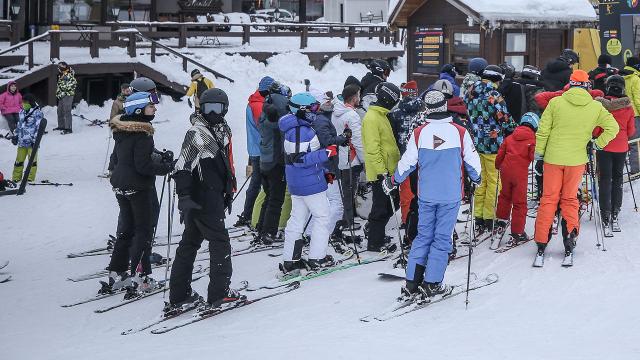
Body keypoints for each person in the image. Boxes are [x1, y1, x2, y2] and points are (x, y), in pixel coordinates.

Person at [383, 90, 481, 300]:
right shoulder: (460, 131)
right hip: (450, 195)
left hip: (426, 195)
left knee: (423, 236)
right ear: (444, 106)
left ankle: (412, 283)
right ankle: (432, 283)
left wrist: (393, 181)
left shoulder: (419, 132)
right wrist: (477, 179)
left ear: (427, 108)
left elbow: (407, 163)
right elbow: (473, 162)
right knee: (442, 239)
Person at [165, 88, 242, 313]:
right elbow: (182, 167)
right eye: (208, 108)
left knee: (189, 244)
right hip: (202, 199)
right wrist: (185, 196)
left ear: (225, 109)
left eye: (217, 108)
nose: (213, 113)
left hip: (211, 195)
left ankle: (180, 295)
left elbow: (224, 165)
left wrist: (227, 191)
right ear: (202, 109)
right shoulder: (197, 132)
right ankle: (219, 293)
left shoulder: (219, 130)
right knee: (220, 243)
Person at [533, 70, 619, 267]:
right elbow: (613, 128)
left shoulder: (556, 103)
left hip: (553, 158)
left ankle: (541, 242)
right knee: (570, 199)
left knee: (548, 199)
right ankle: (569, 240)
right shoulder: (594, 107)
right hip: (576, 160)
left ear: (570, 84)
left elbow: (543, 130)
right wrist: (597, 144)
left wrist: (539, 154)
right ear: (587, 86)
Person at [99, 92, 174, 298]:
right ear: (139, 110)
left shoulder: (123, 130)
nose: (155, 109)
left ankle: (117, 273)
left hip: (121, 186)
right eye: (151, 106)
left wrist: (158, 157)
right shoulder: (143, 134)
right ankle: (141, 276)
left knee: (127, 231)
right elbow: (143, 165)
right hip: (138, 188)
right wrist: (166, 167)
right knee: (143, 231)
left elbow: (118, 159)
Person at [279, 92, 338, 273]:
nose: (316, 111)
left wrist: (324, 171)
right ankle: (317, 258)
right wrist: (326, 153)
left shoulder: (299, 127)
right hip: (308, 184)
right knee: (322, 217)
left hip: (303, 181)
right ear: (301, 110)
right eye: (312, 108)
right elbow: (299, 159)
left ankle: (291, 259)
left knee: (298, 219)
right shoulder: (299, 131)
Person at [464, 65, 515, 236]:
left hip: (476, 142)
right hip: (493, 144)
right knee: (494, 181)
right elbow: (505, 119)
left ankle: (478, 216)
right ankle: (489, 217)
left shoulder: (470, 91)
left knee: (480, 179)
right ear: (497, 79)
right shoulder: (494, 94)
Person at [362, 82, 401, 252]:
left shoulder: (382, 115)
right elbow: (372, 148)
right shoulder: (371, 118)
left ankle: (374, 231)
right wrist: (382, 172)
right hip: (381, 172)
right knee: (381, 207)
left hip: (390, 169)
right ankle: (375, 242)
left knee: (393, 203)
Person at [594, 75, 636, 235]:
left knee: (604, 179)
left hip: (604, 147)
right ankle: (615, 213)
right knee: (618, 179)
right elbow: (631, 131)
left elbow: (596, 130)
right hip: (621, 147)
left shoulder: (600, 105)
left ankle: (605, 213)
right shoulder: (628, 107)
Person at [309, 88, 349, 242]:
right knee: (335, 201)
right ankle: (324, 232)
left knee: (324, 201)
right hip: (327, 166)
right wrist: (342, 137)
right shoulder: (320, 120)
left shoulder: (320, 117)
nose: (330, 104)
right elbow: (327, 142)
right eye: (327, 101)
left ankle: (314, 231)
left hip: (324, 165)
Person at [494, 112, 539, 246]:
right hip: (520, 175)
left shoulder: (510, 137)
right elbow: (533, 157)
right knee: (519, 203)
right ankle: (517, 233)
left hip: (506, 172)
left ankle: (501, 223)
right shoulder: (532, 140)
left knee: (505, 197)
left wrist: (498, 166)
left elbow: (500, 155)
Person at [235, 76, 274, 228]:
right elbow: (264, 127)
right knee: (258, 183)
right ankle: (248, 214)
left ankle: (248, 214)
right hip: (260, 149)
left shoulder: (256, 101)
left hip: (256, 148)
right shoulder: (258, 105)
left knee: (257, 182)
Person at [255, 81, 290, 244]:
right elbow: (283, 130)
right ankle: (269, 232)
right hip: (276, 162)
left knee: (269, 196)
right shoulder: (279, 107)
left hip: (265, 160)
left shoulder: (266, 109)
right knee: (276, 199)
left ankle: (262, 228)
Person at [387, 83, 423, 225]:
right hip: (424, 158)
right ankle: (423, 220)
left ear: (404, 94)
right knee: (423, 191)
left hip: (404, 158)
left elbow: (392, 138)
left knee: (406, 192)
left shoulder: (394, 114)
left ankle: (406, 221)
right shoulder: (424, 111)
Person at [332, 84, 365, 233]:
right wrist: (364, 159)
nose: (360, 98)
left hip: (341, 155)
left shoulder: (337, 112)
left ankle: (347, 219)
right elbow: (357, 140)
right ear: (353, 98)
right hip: (351, 158)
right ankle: (347, 221)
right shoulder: (352, 115)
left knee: (346, 189)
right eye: (358, 95)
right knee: (350, 190)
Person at [11, 94, 43, 182]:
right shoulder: (22, 111)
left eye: (25, 102)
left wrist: (35, 140)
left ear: (31, 102)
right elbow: (19, 125)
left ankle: (29, 178)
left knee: (32, 161)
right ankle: (16, 177)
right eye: (23, 101)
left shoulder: (37, 113)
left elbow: (39, 128)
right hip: (22, 141)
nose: (23, 103)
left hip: (32, 141)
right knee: (19, 161)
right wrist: (15, 135)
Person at [620, 57, 640, 175]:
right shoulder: (635, 79)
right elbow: (638, 100)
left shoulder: (619, 77)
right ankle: (636, 170)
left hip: (620, 114)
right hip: (634, 115)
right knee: (635, 143)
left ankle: (619, 170)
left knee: (623, 143)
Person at [54, 62, 76, 134]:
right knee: (59, 110)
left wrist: (63, 89)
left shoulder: (69, 74)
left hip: (68, 95)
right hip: (62, 95)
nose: (58, 69)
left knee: (67, 111)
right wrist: (58, 93)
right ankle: (61, 126)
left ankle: (68, 128)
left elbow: (72, 84)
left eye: (60, 68)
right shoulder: (61, 75)